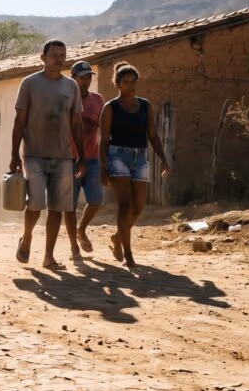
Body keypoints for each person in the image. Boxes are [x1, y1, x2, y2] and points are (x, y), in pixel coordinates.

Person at [9, 40, 86, 269]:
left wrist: (81, 154)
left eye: (63, 55)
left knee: (57, 207)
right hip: (33, 154)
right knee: (35, 204)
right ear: (42, 57)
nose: (59, 59)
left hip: (63, 155)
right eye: (54, 55)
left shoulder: (71, 86)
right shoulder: (30, 83)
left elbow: (76, 122)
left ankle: (48, 257)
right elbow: (19, 121)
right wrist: (14, 154)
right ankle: (28, 236)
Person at [99, 62, 170, 267]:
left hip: (140, 157)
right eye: (126, 82)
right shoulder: (110, 108)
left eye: (133, 81)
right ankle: (128, 254)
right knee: (125, 204)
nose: (130, 85)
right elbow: (103, 140)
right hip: (117, 156)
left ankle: (117, 237)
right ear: (118, 84)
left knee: (139, 206)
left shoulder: (145, 106)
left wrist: (164, 159)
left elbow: (154, 136)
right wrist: (103, 167)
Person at [66, 61, 106, 253]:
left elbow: (104, 128)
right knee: (70, 205)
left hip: (92, 158)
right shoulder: (66, 99)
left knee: (96, 200)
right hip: (70, 159)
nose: (86, 81)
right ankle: (74, 244)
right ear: (73, 79)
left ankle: (81, 230)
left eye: (89, 77)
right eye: (82, 78)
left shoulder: (98, 100)